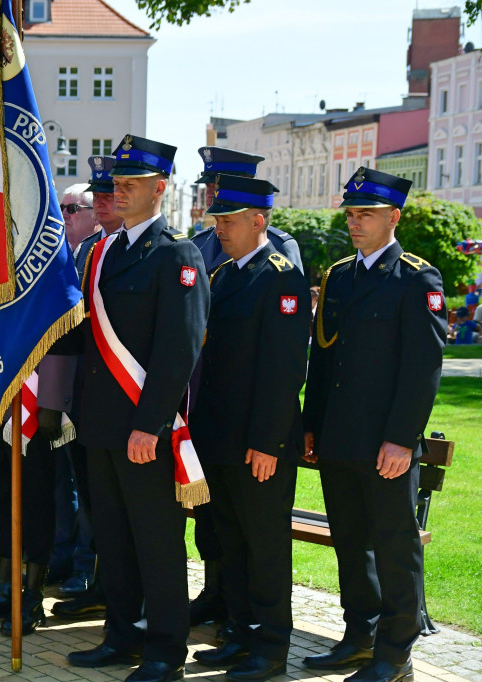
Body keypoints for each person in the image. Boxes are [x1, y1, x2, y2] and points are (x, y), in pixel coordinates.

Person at [65, 135, 209, 682]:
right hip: (101, 425)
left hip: (144, 429)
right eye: (115, 184)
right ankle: (121, 635)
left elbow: (179, 350)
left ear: (159, 189)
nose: (118, 192)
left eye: (130, 185)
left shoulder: (177, 254)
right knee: (114, 541)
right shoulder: (104, 252)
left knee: (157, 542)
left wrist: (150, 425)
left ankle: (166, 651)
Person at [303, 167, 446, 682]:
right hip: (340, 439)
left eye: (366, 214)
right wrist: (311, 424)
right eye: (351, 213)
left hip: (386, 443)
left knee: (393, 547)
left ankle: (396, 652)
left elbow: (422, 368)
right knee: (350, 543)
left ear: (394, 217)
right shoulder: (341, 275)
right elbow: (323, 360)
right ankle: (358, 636)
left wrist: (402, 439)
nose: (355, 222)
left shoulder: (417, 278)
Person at [189, 175, 310, 681]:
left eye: (230, 221)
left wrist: (268, 442)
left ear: (259, 221)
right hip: (220, 441)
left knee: (264, 547)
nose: (220, 229)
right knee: (230, 541)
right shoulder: (225, 277)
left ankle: (272, 647)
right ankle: (238, 634)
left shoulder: (281, 279)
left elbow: (285, 372)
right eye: (216, 220)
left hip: (258, 445)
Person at [0, 353, 75, 635]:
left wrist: (52, 400)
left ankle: (32, 595)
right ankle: (4, 588)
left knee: (35, 500)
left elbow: (61, 330)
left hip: (34, 397)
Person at [53, 155, 122, 621]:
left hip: (120, 404)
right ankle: (96, 580)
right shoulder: (85, 254)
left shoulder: (144, 252)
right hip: (79, 397)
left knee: (110, 508)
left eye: (105, 195)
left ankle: (101, 579)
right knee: (90, 495)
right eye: (89, 198)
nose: (95, 205)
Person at [50, 182, 98, 592]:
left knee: (88, 489)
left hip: (93, 391)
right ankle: (60, 556)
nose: (64, 216)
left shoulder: (101, 254)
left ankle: (86, 566)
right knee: (60, 481)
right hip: (58, 390)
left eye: (71, 209)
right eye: (61, 208)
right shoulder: (63, 256)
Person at [191, 147, 303, 273]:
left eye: (219, 185)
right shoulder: (198, 242)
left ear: (247, 185)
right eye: (208, 185)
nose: (212, 193)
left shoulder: (280, 245)